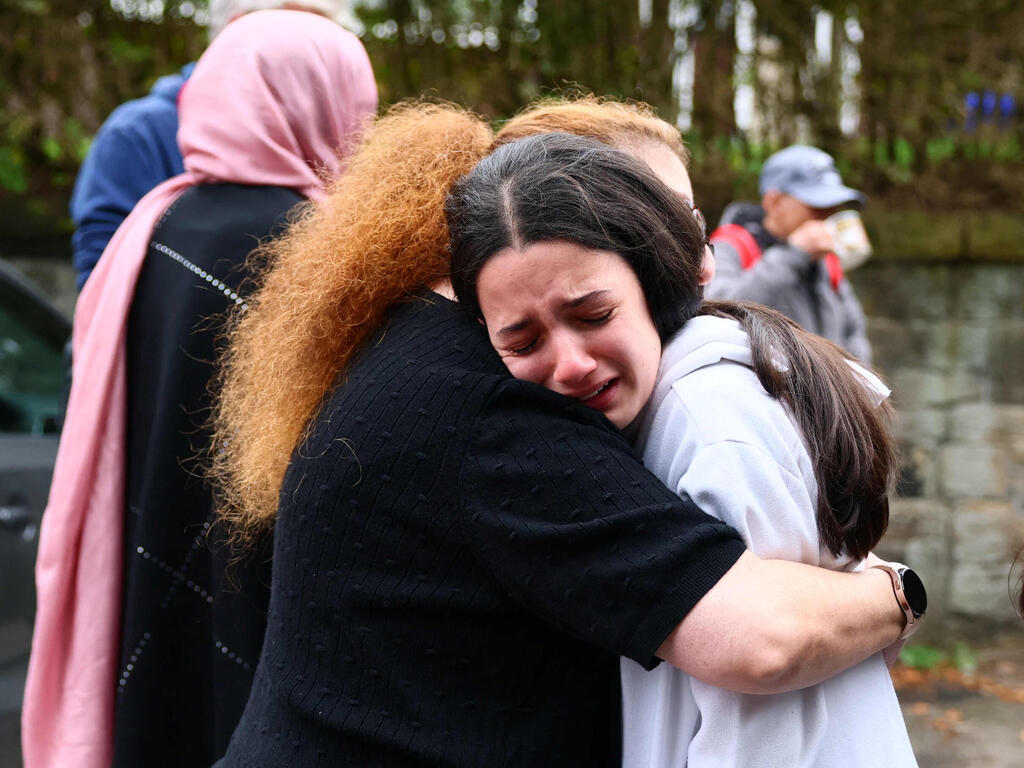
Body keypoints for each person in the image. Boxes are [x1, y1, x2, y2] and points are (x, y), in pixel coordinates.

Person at [208, 101, 914, 766]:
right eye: (664, 221)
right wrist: (895, 595)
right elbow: (762, 640)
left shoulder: (417, 341)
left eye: (593, 313)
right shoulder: (497, 421)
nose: (570, 362)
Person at [448, 131, 919, 767]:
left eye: (593, 315)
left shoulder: (712, 426)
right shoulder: (644, 415)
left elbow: (764, 726)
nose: (571, 365)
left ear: (654, 282)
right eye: (523, 342)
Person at [23, 11, 377, 768]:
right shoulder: (312, 249)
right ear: (315, 104)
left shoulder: (153, 227)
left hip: (147, 546)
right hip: (270, 585)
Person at [68, 0, 349, 290]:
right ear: (237, 29)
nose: (322, 53)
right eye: (304, 33)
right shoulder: (137, 133)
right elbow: (102, 281)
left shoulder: (327, 138)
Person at [706, 144, 873, 363]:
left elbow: (854, 330)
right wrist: (793, 254)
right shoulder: (731, 246)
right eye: (817, 205)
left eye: (833, 206)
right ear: (773, 202)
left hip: (830, 390)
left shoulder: (826, 259)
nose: (828, 215)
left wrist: (860, 384)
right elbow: (715, 311)